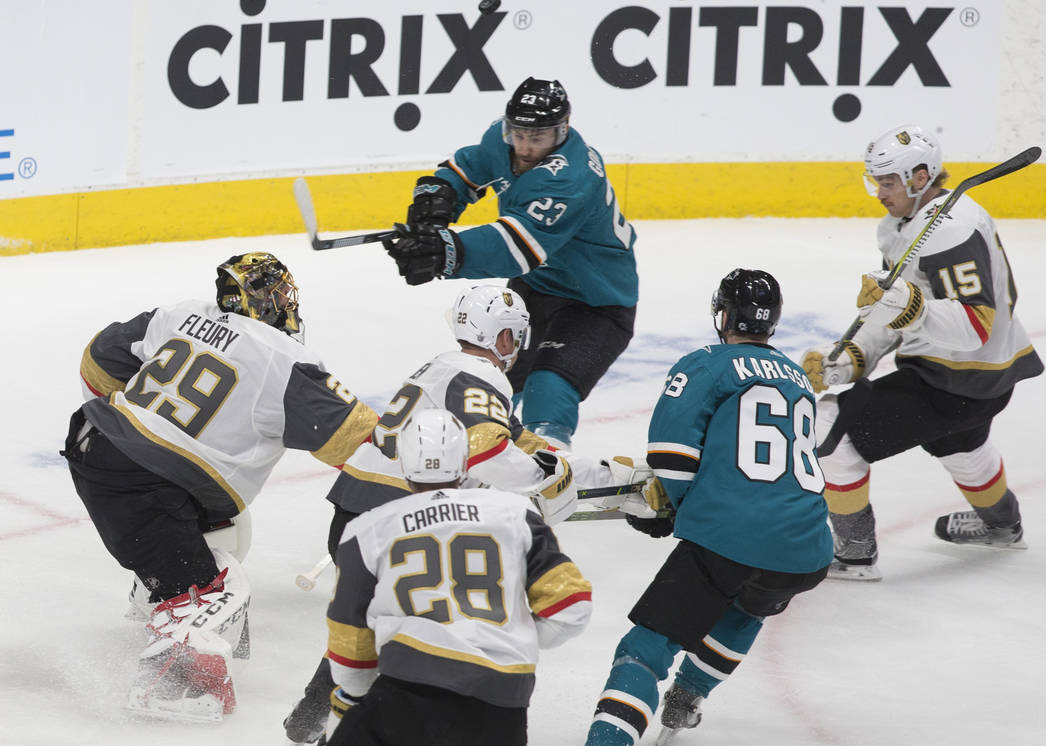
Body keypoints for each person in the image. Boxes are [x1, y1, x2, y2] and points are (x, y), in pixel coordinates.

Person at [283, 283, 649, 743]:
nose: (516, 347)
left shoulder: (442, 367)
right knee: (409, 621)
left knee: (371, 615)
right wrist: (540, 480)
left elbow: (511, 438)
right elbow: (491, 452)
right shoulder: (481, 374)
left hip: (355, 500)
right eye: (514, 336)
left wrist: (553, 463)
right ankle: (352, 718)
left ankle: (315, 714)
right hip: (401, 504)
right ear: (502, 339)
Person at [63, 252, 378, 722]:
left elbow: (97, 361)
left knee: (224, 526)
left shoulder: (178, 314)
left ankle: (159, 583)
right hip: (146, 482)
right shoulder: (285, 360)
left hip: (92, 439)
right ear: (267, 301)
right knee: (217, 591)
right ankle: (172, 682)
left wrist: (132, 423)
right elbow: (357, 439)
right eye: (281, 295)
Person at [585, 269, 831, 746]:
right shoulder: (797, 376)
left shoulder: (708, 363)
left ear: (723, 315)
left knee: (644, 649)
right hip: (807, 547)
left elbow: (671, 455)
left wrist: (679, 510)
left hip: (733, 533)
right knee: (747, 607)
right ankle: (688, 696)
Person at [801, 125, 1043, 581]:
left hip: (958, 378)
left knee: (830, 428)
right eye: (876, 181)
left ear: (918, 176)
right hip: (975, 380)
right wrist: (853, 356)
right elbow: (895, 307)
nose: (879, 192)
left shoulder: (953, 228)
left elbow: (974, 326)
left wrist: (910, 309)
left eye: (887, 181)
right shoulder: (905, 225)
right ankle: (1002, 525)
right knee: (962, 445)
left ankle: (854, 552)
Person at [382, 76, 639, 448]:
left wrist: (443, 252)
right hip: (536, 288)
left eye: (537, 139)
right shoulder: (504, 139)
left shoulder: (571, 177)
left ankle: (549, 461)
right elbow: (468, 166)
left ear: (562, 131)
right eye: (519, 134)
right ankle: (478, 452)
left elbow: (516, 248)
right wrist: (438, 198)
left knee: (547, 385)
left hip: (596, 302)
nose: (525, 146)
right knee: (493, 374)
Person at [319, 408, 593, 745]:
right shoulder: (516, 513)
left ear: (404, 464)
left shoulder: (367, 529)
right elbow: (571, 609)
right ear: (464, 462)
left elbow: (351, 643)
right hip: (501, 702)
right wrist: (505, 638)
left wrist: (356, 695)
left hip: (408, 691)